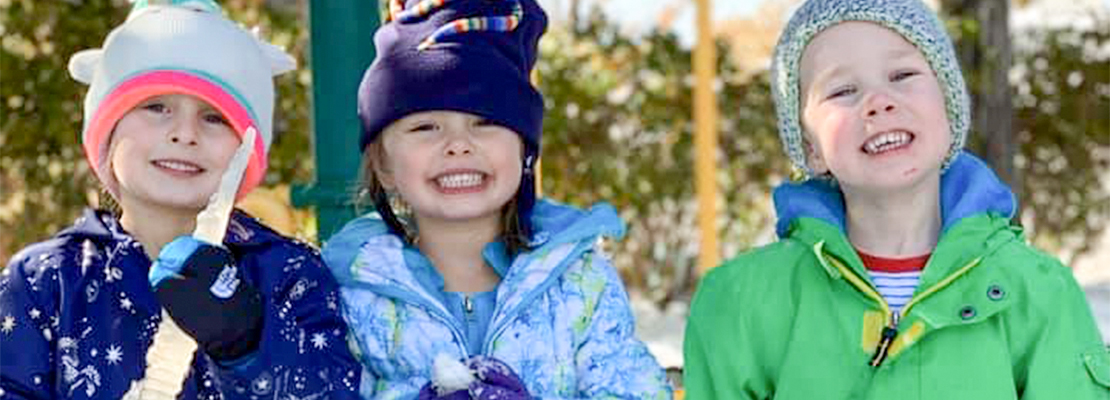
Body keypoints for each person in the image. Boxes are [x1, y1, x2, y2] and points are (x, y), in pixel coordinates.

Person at [683, 0, 1110, 398]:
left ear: (947, 105)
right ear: (810, 147)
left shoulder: (1036, 293)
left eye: (902, 76)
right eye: (842, 90)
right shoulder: (742, 305)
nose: (878, 103)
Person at [0, 1, 360, 398]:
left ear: (247, 150)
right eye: (156, 107)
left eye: (215, 117)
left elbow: (336, 389)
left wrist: (249, 344)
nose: (185, 134)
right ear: (107, 133)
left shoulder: (289, 271)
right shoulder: (47, 279)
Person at [321, 0, 671, 398]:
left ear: (525, 149)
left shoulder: (579, 284)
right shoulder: (350, 293)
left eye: (486, 122)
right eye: (425, 127)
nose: (458, 145)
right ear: (383, 163)